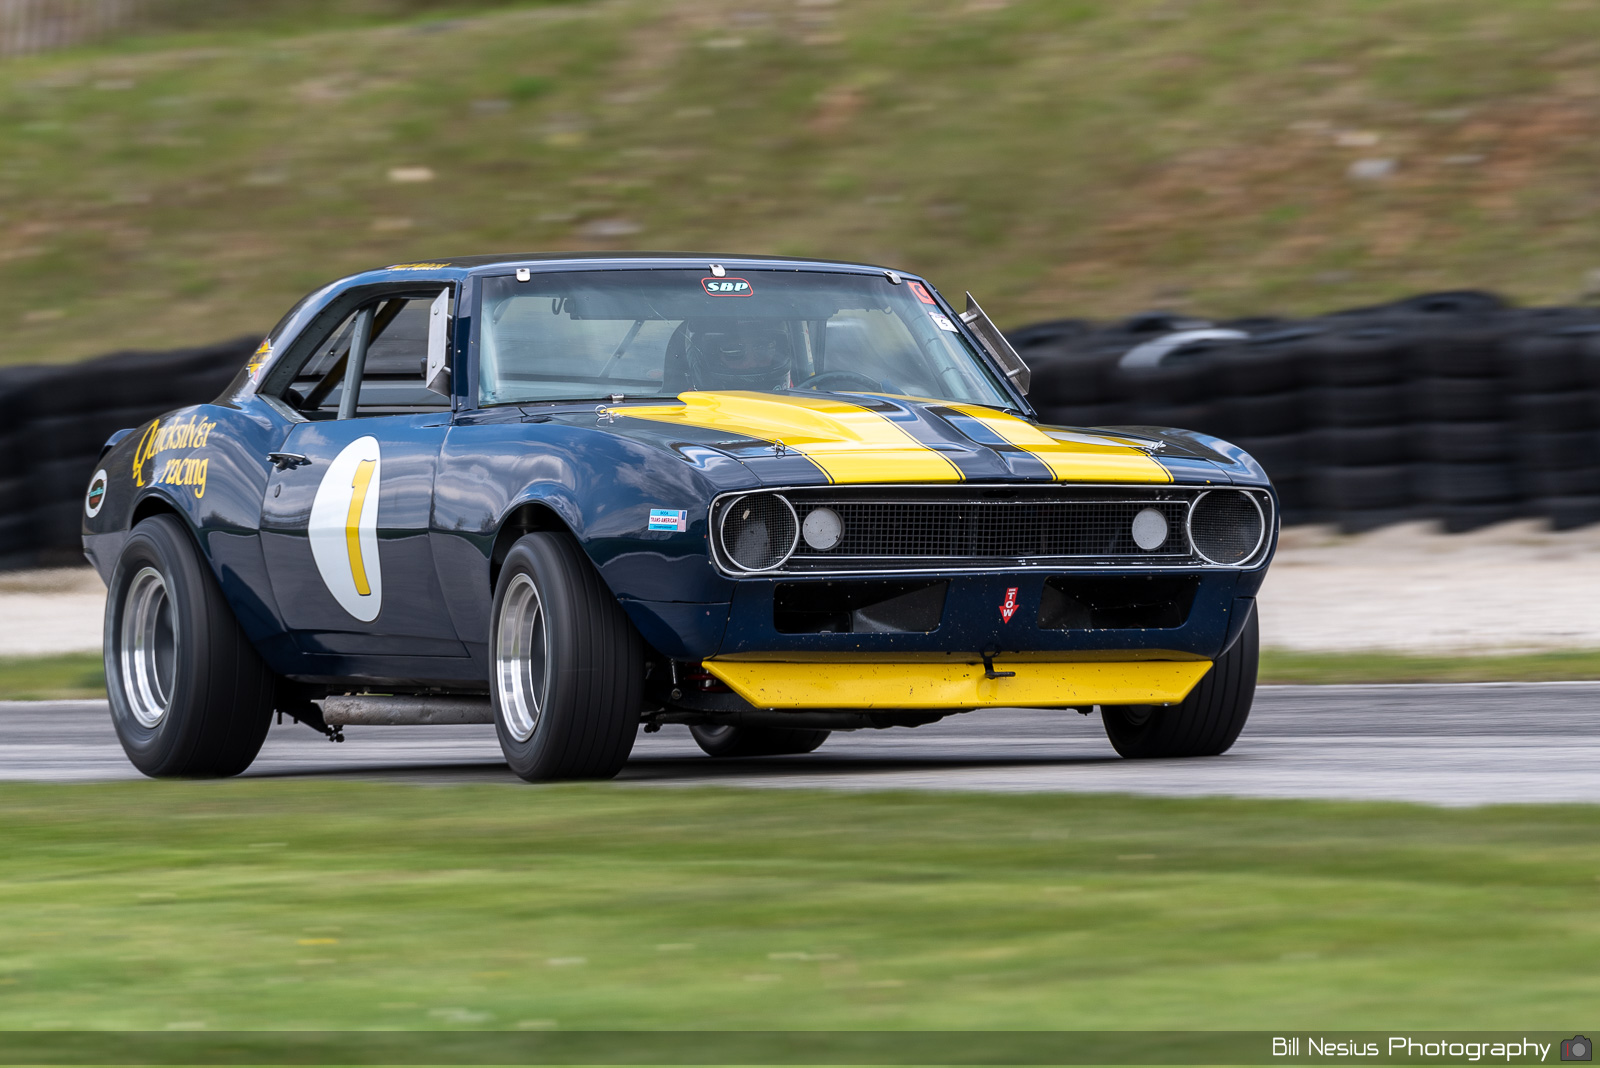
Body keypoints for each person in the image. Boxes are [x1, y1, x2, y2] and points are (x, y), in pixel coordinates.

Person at [675, 318, 795, 392]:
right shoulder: (687, 410)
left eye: (762, 348)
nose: (751, 363)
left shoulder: (804, 398)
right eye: (734, 352)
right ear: (713, 358)